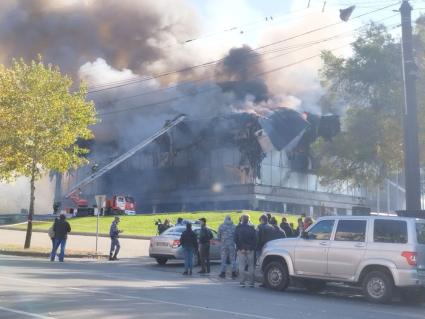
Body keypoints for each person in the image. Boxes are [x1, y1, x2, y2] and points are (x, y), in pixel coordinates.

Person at [234, 214, 257, 288]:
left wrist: (241, 249)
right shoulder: (252, 228)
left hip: (241, 250)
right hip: (250, 250)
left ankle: (242, 282)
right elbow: (255, 239)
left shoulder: (238, 228)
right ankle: (251, 282)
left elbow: (235, 239)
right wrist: (250, 249)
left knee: (241, 266)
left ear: (242, 219)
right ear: (248, 219)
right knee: (251, 266)